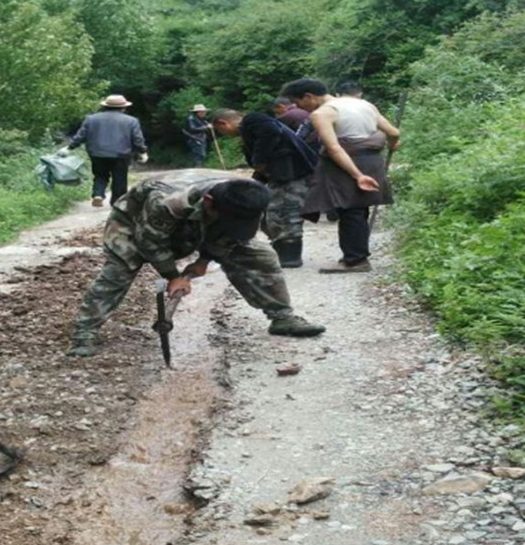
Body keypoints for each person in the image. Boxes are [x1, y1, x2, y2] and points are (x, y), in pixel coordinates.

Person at [67, 177, 326, 356]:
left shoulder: (247, 197)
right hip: (135, 223)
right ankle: (84, 331)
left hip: (206, 219)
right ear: (210, 202)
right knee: (120, 268)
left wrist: (203, 261)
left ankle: (282, 317)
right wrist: (173, 276)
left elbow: (232, 235)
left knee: (259, 255)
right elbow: (150, 242)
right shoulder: (167, 201)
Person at [280, 78, 400, 273]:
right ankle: (356, 255)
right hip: (372, 161)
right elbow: (394, 132)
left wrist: (357, 175)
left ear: (309, 97)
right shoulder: (364, 104)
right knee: (359, 209)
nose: (299, 108)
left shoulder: (321, 114)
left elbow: (334, 148)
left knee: (349, 209)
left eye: (298, 102)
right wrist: (392, 145)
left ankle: (355, 260)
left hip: (348, 163)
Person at [211, 109, 316, 268]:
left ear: (223, 123)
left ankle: (290, 256)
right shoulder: (251, 129)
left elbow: (270, 133)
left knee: (284, 212)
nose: (224, 134)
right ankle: (283, 251)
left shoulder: (253, 119)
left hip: (292, 173)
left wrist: (258, 159)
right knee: (273, 214)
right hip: (283, 173)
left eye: (221, 131)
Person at [63, 94, 148, 207]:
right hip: (121, 154)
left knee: (100, 175)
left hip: (97, 153)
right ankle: (117, 203)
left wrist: (69, 147)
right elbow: (137, 138)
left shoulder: (91, 119)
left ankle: (98, 194)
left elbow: (81, 136)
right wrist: (142, 151)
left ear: (105, 106)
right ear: (123, 107)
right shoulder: (131, 121)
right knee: (120, 178)